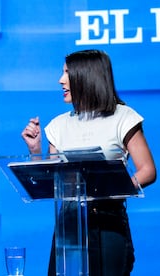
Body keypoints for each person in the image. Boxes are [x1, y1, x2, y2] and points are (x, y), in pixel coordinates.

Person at [21, 49, 156, 275]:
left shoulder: (123, 117)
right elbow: (55, 179)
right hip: (69, 223)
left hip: (108, 223)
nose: (60, 80)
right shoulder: (58, 125)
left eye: (67, 73)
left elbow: (148, 170)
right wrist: (35, 151)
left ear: (86, 76)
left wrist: (113, 188)